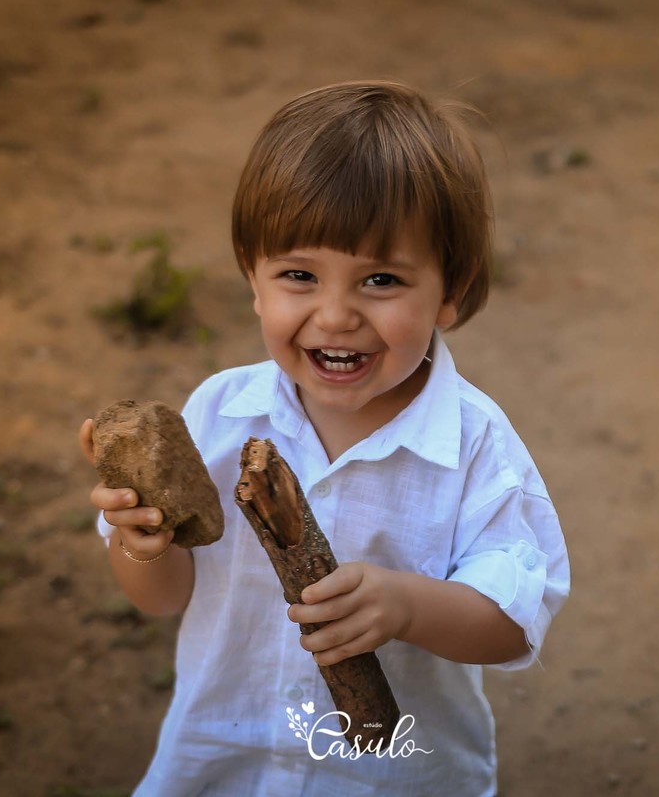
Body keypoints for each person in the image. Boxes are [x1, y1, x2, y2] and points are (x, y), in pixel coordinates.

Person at [78, 80, 570, 796]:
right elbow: (161, 598)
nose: (335, 315)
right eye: (299, 275)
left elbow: (512, 624)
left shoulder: (475, 446)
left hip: (392, 777)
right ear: (253, 278)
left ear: (451, 290)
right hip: (224, 763)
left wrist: (407, 605)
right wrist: (140, 541)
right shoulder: (219, 415)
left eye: (380, 279)